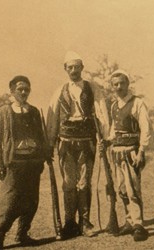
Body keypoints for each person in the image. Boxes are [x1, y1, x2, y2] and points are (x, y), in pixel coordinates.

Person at [46, 51, 109, 238]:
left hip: (87, 142)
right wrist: (49, 144)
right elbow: (52, 118)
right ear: (65, 69)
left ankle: (85, 222)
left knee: (84, 183)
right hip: (65, 143)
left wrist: (105, 138)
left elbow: (102, 112)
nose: (74, 70)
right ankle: (69, 223)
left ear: (82, 68)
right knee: (68, 184)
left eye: (77, 67)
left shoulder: (92, 89)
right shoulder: (59, 91)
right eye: (70, 67)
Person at [0, 75, 46, 250]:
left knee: (32, 201)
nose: (24, 92)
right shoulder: (4, 112)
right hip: (14, 163)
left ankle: (22, 234)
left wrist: (42, 156)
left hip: (32, 162)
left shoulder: (34, 111)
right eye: (20, 89)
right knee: (9, 202)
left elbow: (41, 137)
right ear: (12, 91)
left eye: (27, 89)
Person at [99, 70, 151, 241]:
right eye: (115, 84)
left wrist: (141, 151)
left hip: (132, 152)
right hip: (116, 152)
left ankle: (138, 224)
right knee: (122, 190)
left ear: (128, 84)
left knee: (133, 190)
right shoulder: (114, 106)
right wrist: (106, 142)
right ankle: (129, 221)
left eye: (122, 83)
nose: (119, 87)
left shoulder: (137, 103)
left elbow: (145, 128)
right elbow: (114, 130)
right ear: (112, 87)